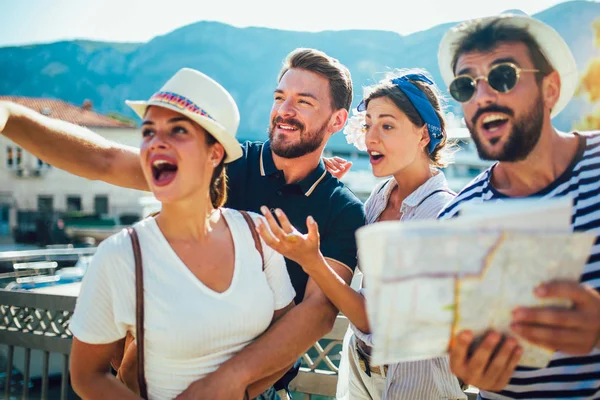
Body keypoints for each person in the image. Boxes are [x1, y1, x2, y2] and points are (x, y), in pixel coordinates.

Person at [0, 48, 365, 399]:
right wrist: (10, 118)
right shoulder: (224, 162)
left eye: (304, 101)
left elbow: (318, 312)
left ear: (336, 120)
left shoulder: (342, 209)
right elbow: (106, 160)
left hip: (260, 386)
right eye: (279, 96)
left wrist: (228, 383)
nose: (284, 111)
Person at [68, 68, 296, 399]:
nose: (156, 142)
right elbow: (88, 375)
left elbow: (287, 339)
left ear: (215, 153)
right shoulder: (120, 254)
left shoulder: (258, 233)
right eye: (148, 131)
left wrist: (237, 391)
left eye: (177, 130)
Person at [255, 70, 466, 400]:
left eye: (387, 125)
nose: (370, 138)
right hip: (358, 372)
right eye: (368, 124)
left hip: (417, 381)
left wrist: (313, 262)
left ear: (424, 135)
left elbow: (374, 320)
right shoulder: (381, 197)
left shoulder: (443, 216)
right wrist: (321, 178)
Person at [435, 12, 600, 400]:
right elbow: (458, 349)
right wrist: (466, 370)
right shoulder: (456, 221)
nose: (483, 95)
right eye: (465, 85)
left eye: (503, 76)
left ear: (550, 89)